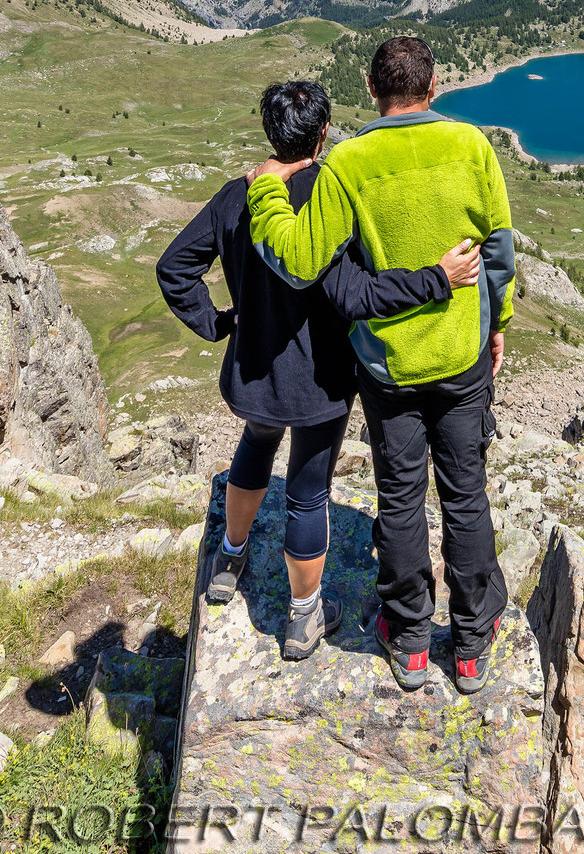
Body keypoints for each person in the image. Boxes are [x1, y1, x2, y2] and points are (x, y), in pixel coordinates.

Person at [155, 78, 481, 660]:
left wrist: (220, 323)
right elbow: (358, 293)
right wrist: (437, 280)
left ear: (269, 134)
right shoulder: (333, 199)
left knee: (255, 445)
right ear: (324, 132)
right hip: (320, 379)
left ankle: (229, 558)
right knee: (307, 492)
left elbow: (174, 267)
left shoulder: (236, 196)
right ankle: (303, 617)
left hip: (255, 371)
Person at [248, 33, 515, 698]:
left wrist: (266, 192)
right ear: (434, 85)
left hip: (388, 365)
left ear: (371, 89)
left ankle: (411, 640)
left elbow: (298, 260)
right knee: (465, 493)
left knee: (400, 497)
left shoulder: (348, 162)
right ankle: (473, 645)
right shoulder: (471, 145)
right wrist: (497, 323)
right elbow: (499, 250)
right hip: (461, 354)